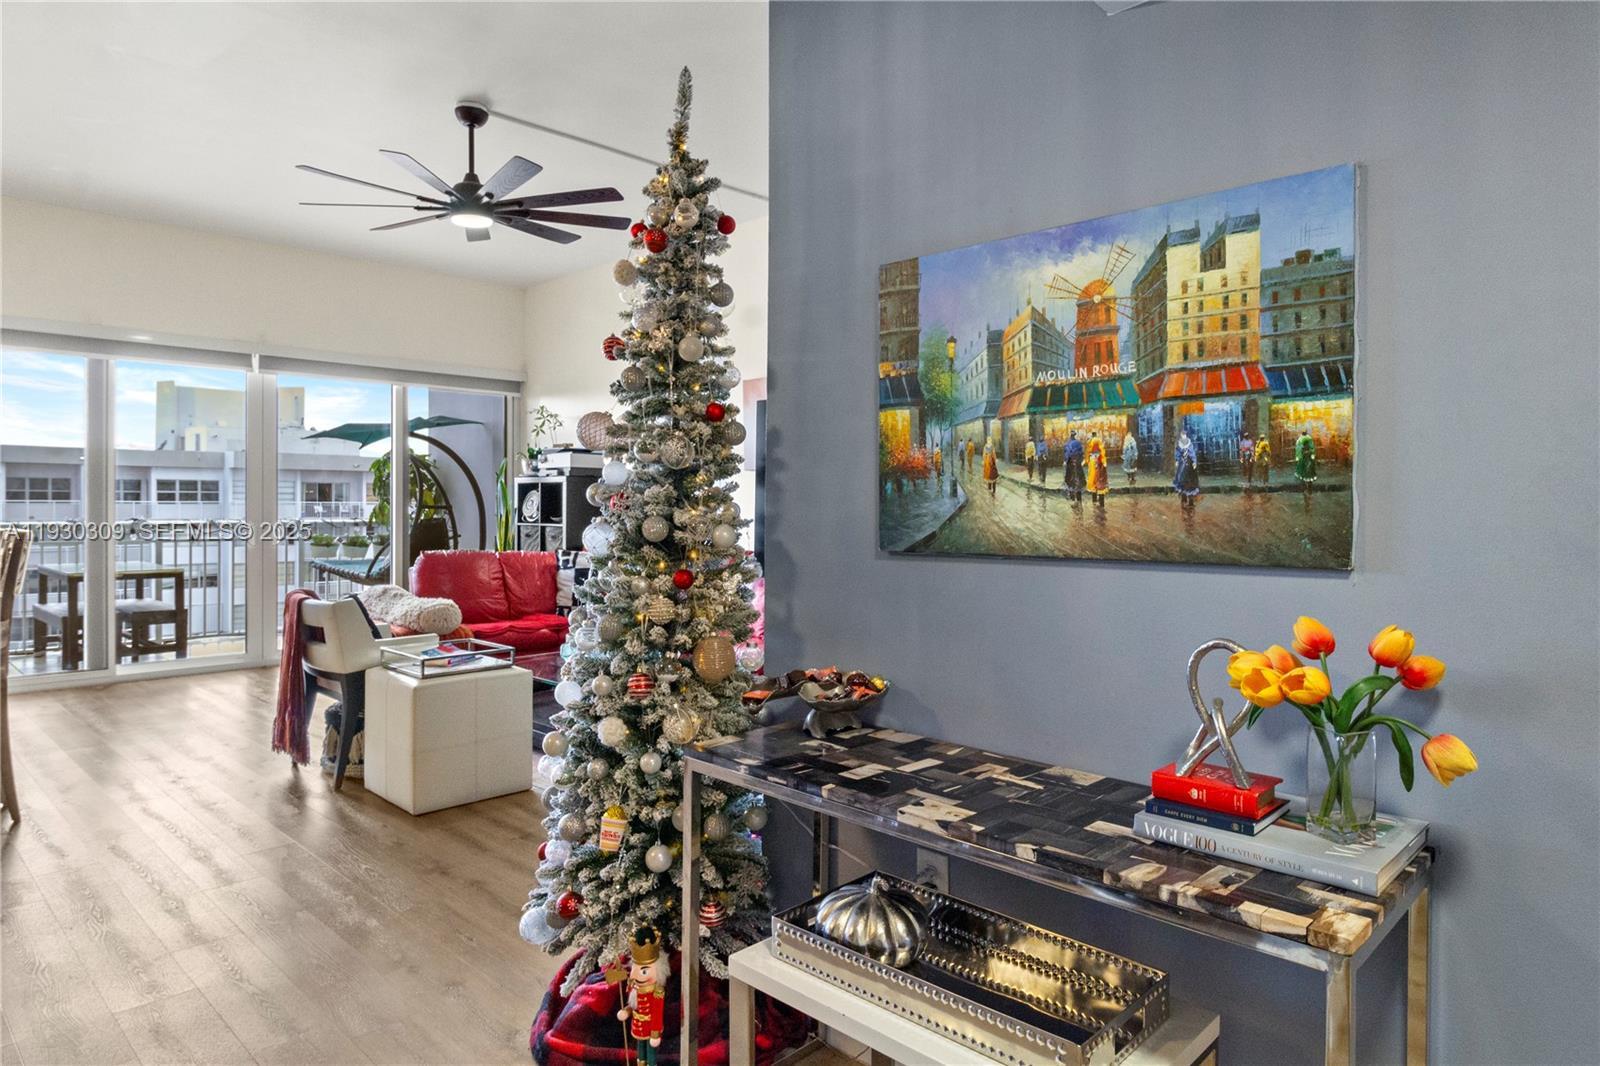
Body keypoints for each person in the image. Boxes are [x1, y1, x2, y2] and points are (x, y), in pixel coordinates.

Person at [614, 927, 668, 1066]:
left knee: (650, 1053)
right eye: (634, 969)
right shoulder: (634, 988)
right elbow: (634, 1005)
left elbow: (657, 1013)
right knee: (640, 1051)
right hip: (638, 1027)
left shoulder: (657, 992)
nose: (636, 975)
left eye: (643, 971)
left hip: (650, 1028)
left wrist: (655, 1033)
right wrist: (626, 1011)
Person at [1173, 430, 1200, 511]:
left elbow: (1192, 453)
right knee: (1181, 480)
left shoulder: (1189, 444)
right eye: (1182, 435)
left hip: (1189, 465)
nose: (1183, 436)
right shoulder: (1179, 444)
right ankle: (1183, 498)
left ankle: (1191, 500)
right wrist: (1177, 460)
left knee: (1191, 481)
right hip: (1182, 464)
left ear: (1186, 436)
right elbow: (1177, 453)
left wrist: (1194, 462)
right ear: (1181, 436)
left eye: (1184, 435)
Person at [1084, 432, 1109, 507]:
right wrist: (1104, 462)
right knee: (1100, 479)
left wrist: (1086, 460)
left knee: (1092, 479)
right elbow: (1102, 451)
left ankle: (1094, 500)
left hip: (1092, 461)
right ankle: (1101, 502)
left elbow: (1087, 452)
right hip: (1098, 460)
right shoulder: (1099, 440)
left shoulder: (1089, 441)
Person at [1062, 430, 1084, 501]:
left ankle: (1072, 498)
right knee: (1078, 479)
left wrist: (1065, 461)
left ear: (1070, 436)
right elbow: (1081, 452)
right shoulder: (1078, 443)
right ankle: (1079, 499)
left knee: (1070, 480)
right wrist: (1080, 460)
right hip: (1077, 463)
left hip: (1070, 463)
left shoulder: (1068, 443)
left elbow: (1067, 453)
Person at [1294, 428, 1317, 493]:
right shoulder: (1303, 439)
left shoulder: (1304, 439)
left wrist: (1312, 454)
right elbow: (1298, 449)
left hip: (1306, 457)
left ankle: (1307, 487)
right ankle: (1305, 487)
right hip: (1304, 457)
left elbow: (1311, 447)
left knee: (1307, 470)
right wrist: (1298, 456)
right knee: (1304, 471)